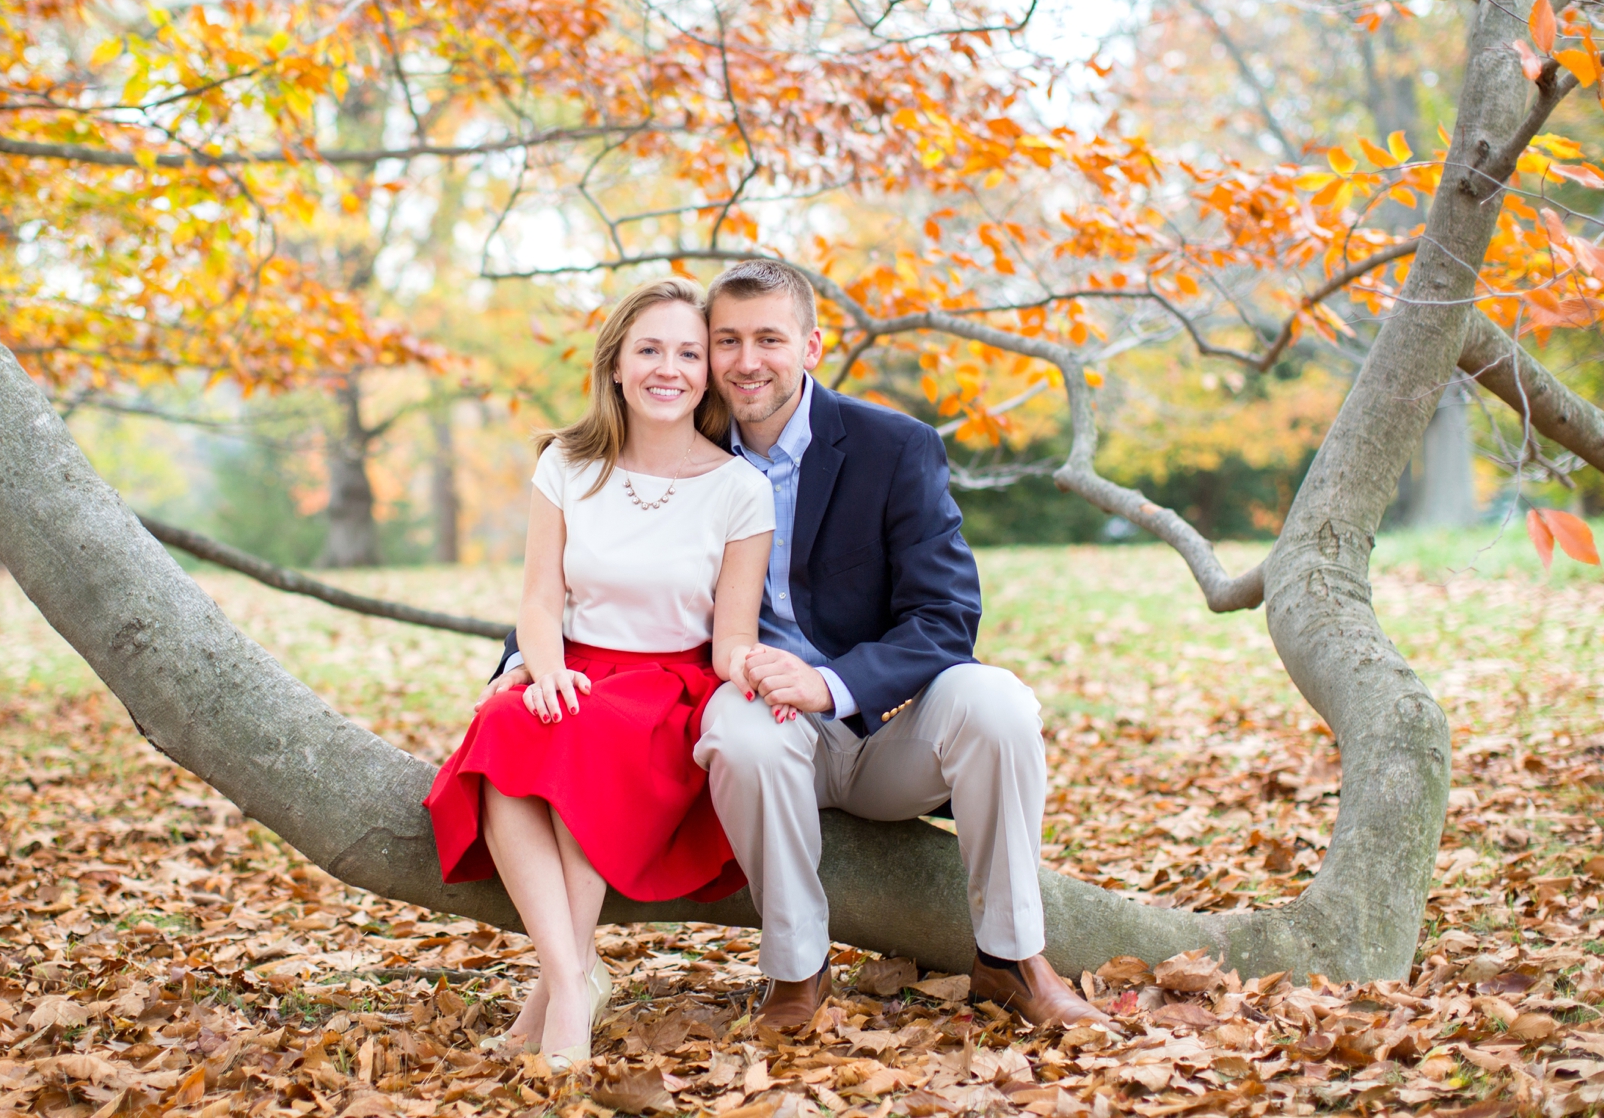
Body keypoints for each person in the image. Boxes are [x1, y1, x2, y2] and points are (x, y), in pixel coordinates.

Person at [694, 258, 1104, 1030]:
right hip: (767, 734)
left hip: (885, 731)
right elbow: (601, 556)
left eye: (769, 339)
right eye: (728, 340)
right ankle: (794, 972)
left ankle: (1011, 957)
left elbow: (946, 613)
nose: (747, 361)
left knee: (998, 702)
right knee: (738, 733)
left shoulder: (893, 447)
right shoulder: (686, 450)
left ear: (812, 346)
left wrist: (833, 684)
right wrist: (522, 660)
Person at [425, 278, 775, 1071]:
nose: (670, 368)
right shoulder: (566, 465)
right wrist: (540, 671)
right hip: (575, 663)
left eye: (689, 352)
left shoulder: (740, 488)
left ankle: (556, 1003)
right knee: (510, 722)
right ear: (615, 363)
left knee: (590, 741)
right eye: (649, 349)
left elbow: (731, 637)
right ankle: (570, 976)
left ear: (707, 373)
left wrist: (764, 674)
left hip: (666, 687)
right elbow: (539, 601)